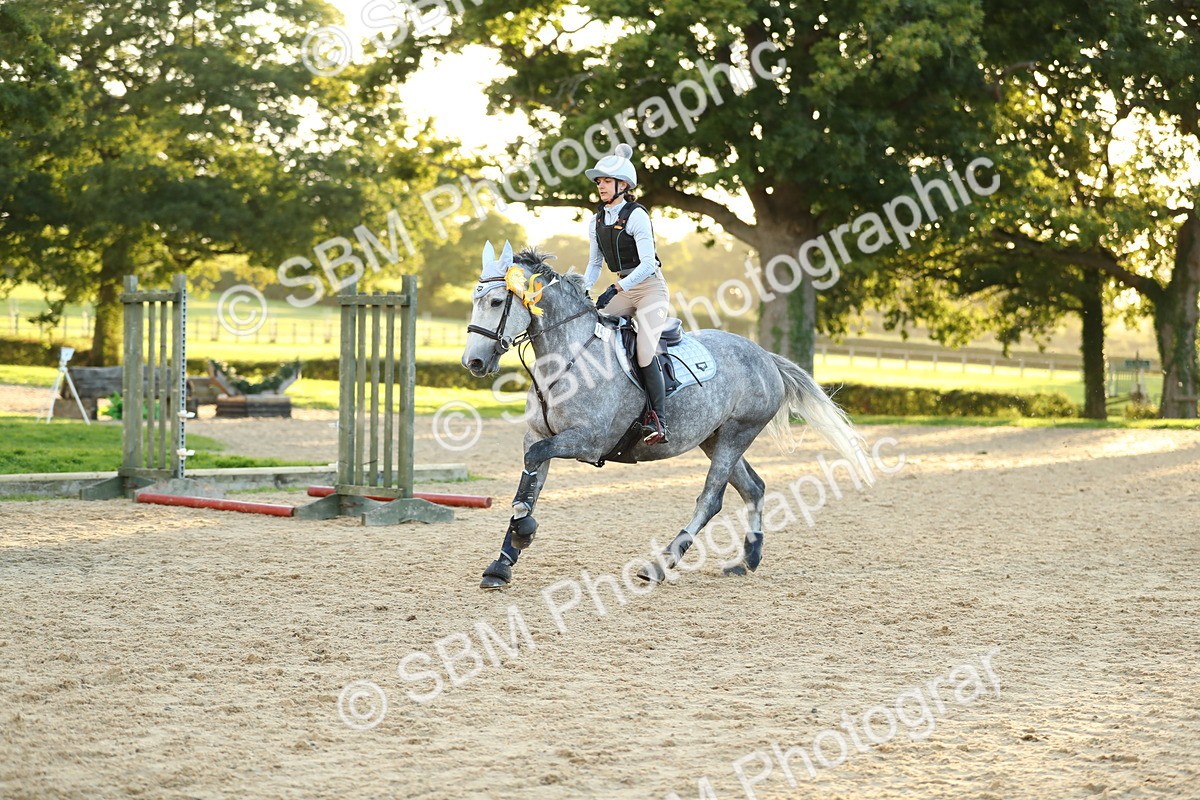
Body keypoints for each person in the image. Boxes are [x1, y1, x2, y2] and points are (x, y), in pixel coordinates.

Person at [584, 143, 672, 444]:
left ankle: (658, 420)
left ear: (623, 185)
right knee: (590, 336)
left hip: (650, 290)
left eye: (606, 181)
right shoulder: (596, 219)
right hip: (621, 289)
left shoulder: (636, 216)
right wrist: (583, 290)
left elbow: (648, 264)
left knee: (645, 351)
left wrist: (617, 287)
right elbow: (595, 264)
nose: (601, 187)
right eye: (599, 182)